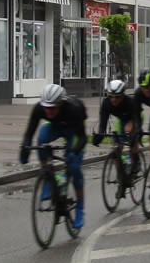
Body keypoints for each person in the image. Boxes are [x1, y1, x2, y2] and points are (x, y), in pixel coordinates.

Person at [20, 84, 88, 229]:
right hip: (55, 127)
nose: (48, 111)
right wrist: (24, 149)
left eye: (52, 108)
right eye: (46, 107)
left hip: (73, 132)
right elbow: (29, 132)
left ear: (61, 104)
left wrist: (73, 152)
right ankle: (47, 176)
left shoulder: (73, 109)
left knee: (74, 167)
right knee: (42, 136)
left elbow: (83, 138)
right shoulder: (39, 109)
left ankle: (80, 208)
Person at [91, 79, 142, 176]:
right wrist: (99, 136)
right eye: (111, 96)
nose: (114, 99)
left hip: (134, 117)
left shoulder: (130, 102)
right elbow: (103, 124)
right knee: (116, 148)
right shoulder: (106, 103)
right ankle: (121, 177)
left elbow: (137, 120)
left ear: (123, 95)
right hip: (121, 119)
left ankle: (136, 161)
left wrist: (135, 133)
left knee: (129, 134)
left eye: (117, 97)